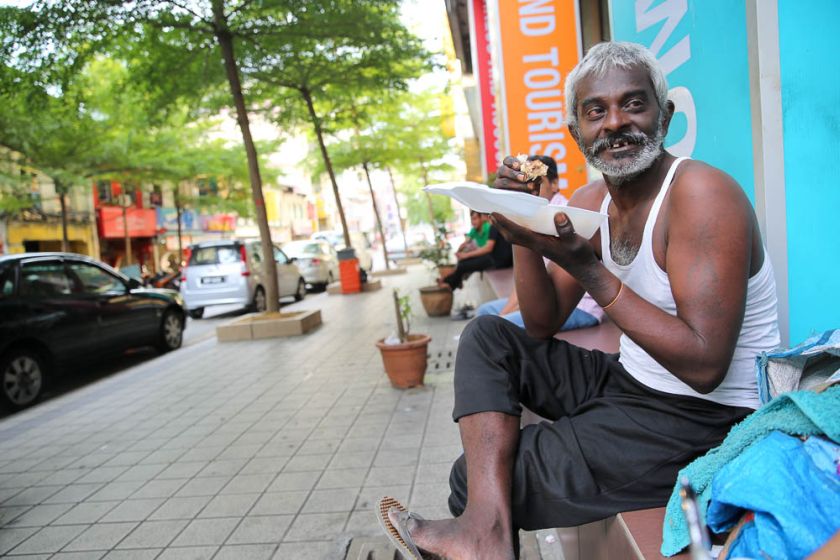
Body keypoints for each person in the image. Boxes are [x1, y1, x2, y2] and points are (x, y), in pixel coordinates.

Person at [377, 41, 780, 560]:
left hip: (706, 417)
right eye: (596, 112)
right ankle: (487, 534)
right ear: (576, 133)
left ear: (666, 115)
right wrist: (521, 223)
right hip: (633, 382)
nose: (614, 123)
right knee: (487, 336)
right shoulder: (595, 201)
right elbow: (541, 324)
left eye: (633, 104)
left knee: (474, 480)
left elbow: (704, 366)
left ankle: (484, 533)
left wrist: (587, 268)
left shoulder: (702, 194)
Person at [476, 155, 604, 332]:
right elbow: (526, 281)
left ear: (554, 184)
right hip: (544, 298)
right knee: (485, 311)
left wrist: (501, 318)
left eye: (537, 182)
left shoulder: (561, 216)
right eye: (525, 182)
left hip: (579, 308)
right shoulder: (532, 213)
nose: (530, 188)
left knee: (493, 328)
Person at [439, 215, 512, 291]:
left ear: (483, 217)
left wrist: (466, 255)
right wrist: (460, 252)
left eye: (475, 219)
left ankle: (450, 285)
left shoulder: (491, 227)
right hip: (496, 257)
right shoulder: (489, 227)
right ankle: (451, 281)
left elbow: (488, 248)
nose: (473, 222)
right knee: (462, 264)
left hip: (497, 260)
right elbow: (466, 243)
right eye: (472, 219)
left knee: (462, 265)